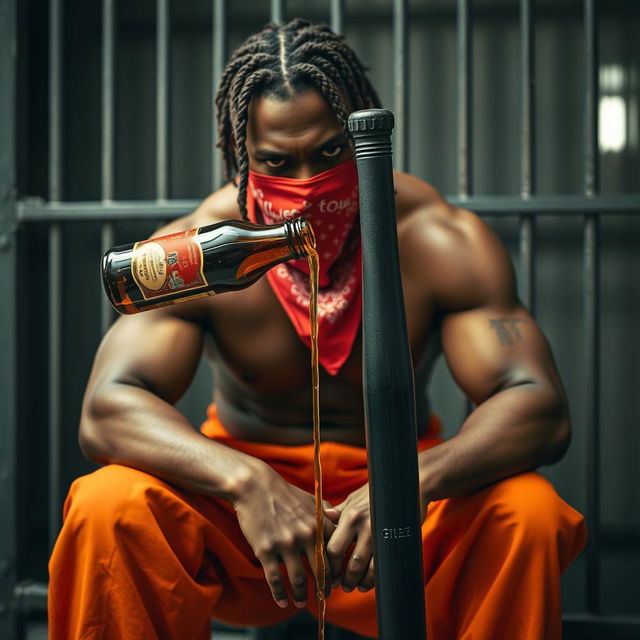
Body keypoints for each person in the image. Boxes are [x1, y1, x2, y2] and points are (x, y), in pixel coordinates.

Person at [48, 18, 586, 640]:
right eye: (278, 161)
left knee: (529, 513)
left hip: (398, 517)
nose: (306, 184)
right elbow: (107, 409)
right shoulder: (194, 249)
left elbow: (538, 405)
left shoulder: (438, 238)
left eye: (330, 153)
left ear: (363, 131)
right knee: (105, 506)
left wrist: (411, 480)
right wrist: (245, 482)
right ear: (239, 152)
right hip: (248, 523)